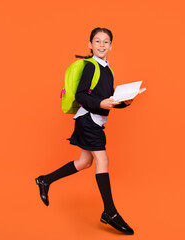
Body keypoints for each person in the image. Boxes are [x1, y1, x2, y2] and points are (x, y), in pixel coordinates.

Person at [35, 27, 134, 235]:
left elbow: (109, 100)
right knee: (103, 160)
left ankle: (45, 180)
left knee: (85, 162)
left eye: (106, 42)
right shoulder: (91, 66)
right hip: (87, 120)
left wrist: (125, 102)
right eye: (97, 41)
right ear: (90, 45)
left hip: (95, 120)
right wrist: (100, 102)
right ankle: (110, 212)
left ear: (111, 46)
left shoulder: (108, 69)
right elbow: (81, 96)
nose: (101, 45)